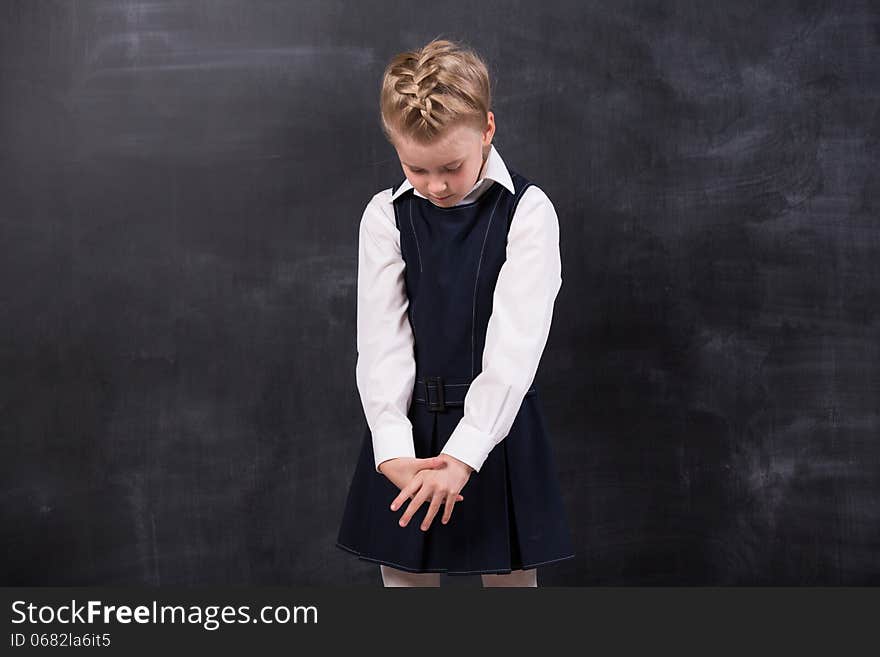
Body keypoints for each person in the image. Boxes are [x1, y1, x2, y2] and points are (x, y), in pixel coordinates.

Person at [336, 37, 575, 587]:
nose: (435, 185)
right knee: (405, 588)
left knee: (512, 589)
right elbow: (381, 345)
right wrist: (392, 449)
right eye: (415, 169)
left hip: (498, 429)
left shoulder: (528, 212)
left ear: (488, 130)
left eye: (451, 166)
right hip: (407, 434)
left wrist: (464, 456)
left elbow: (515, 348)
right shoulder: (385, 217)